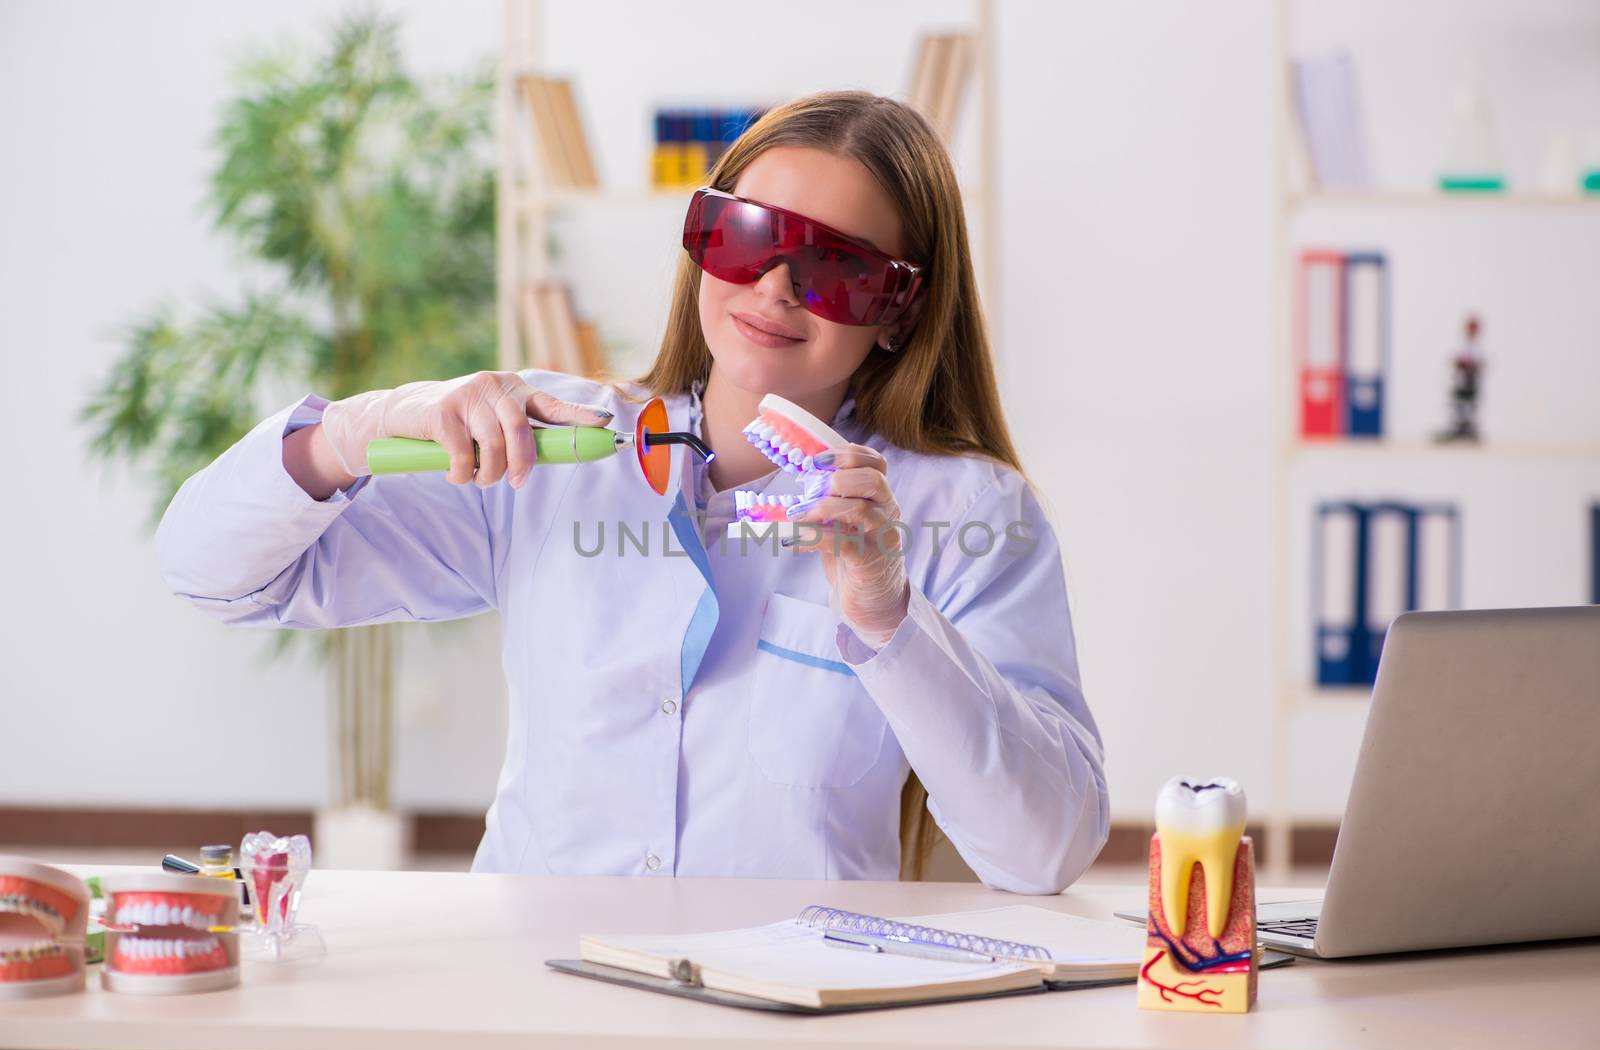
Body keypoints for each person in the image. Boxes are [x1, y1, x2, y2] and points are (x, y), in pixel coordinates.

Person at [157, 90, 1108, 893]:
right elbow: (209, 573)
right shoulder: (549, 446)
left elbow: (1045, 852)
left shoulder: (965, 513)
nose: (775, 287)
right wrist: (353, 431)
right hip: (530, 997)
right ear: (702, 243)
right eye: (747, 237)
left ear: (897, 311)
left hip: (791, 1008)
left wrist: (888, 619)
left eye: (836, 270)